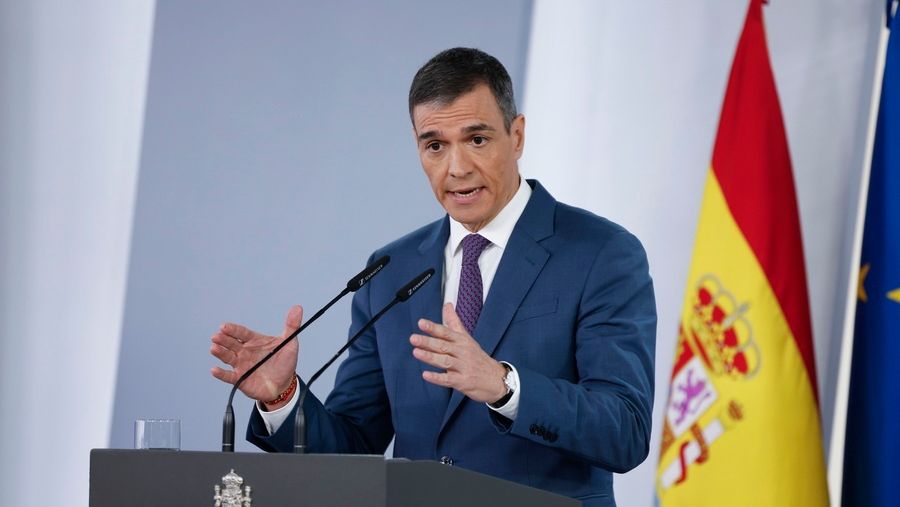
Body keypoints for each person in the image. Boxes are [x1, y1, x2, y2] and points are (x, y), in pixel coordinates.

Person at [210, 47, 656, 507]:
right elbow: (352, 447)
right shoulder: (391, 271)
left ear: (517, 136)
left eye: (477, 139)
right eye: (435, 146)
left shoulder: (601, 253)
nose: (456, 168)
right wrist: (284, 398)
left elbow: (625, 430)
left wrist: (505, 386)